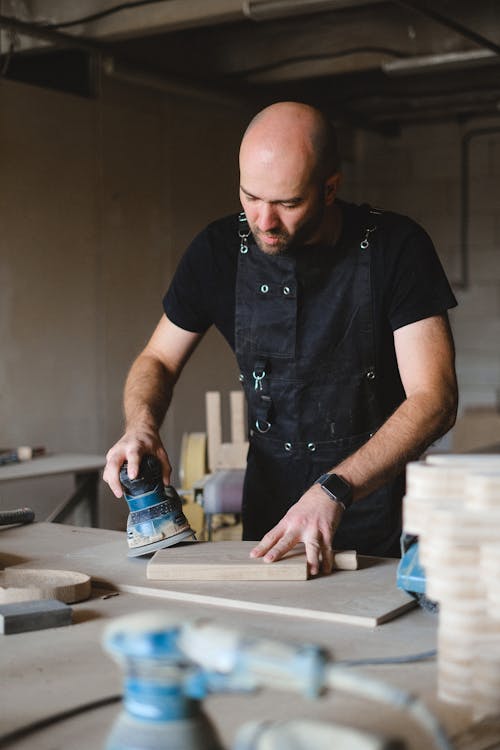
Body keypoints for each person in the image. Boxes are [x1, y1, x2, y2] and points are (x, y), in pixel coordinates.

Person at [104, 101, 458, 576]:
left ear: (330, 188)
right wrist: (140, 424)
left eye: (287, 204)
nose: (264, 221)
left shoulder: (397, 246)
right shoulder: (217, 251)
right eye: (251, 197)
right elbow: (158, 360)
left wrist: (334, 489)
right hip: (269, 515)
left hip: (379, 514)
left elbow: (435, 399)